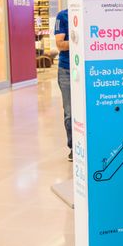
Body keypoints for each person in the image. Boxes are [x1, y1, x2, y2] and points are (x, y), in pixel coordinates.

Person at [55, 9, 73, 161]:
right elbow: (60, 44)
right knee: (70, 112)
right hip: (66, 70)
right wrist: (78, 40)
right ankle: (74, 147)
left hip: (87, 69)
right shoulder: (63, 16)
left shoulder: (92, 12)